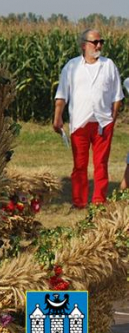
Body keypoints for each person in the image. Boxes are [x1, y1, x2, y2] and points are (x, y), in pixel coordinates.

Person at [53, 29, 123, 208]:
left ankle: (99, 200)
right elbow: (62, 95)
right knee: (79, 165)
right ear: (84, 45)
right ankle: (79, 201)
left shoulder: (108, 65)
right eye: (95, 42)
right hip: (80, 122)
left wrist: (112, 120)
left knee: (101, 163)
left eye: (101, 42)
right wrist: (57, 117)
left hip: (103, 122)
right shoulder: (72, 67)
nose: (99, 45)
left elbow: (117, 96)